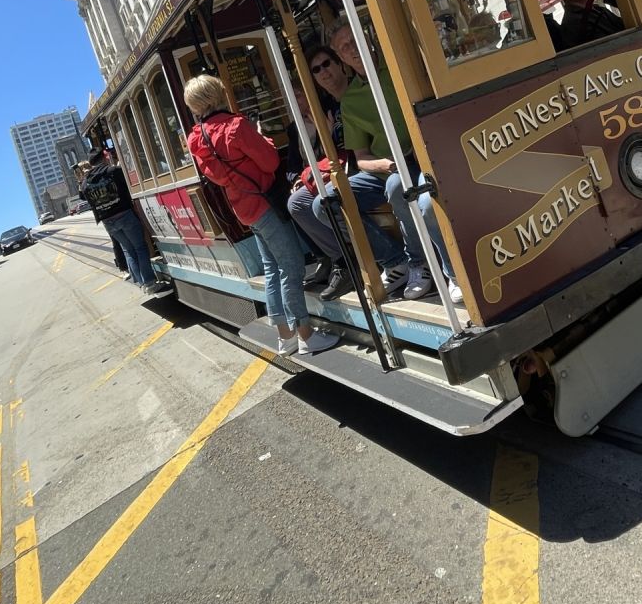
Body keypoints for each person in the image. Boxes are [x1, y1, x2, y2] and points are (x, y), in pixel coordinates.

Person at [183, 74, 339, 356]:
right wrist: (263, 139)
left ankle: (284, 336)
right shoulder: (235, 126)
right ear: (217, 94)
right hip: (265, 204)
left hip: (244, 207)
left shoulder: (197, 137)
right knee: (291, 266)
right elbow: (269, 162)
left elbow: (219, 175)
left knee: (272, 268)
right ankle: (305, 334)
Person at [318, 18, 461, 304]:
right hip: (389, 167)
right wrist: (384, 164)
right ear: (341, 57)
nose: (352, 49)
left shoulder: (396, 68)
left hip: (422, 154)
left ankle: (444, 270)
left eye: (353, 39)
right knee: (326, 203)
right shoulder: (351, 100)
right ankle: (397, 261)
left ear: (366, 36)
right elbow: (361, 159)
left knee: (407, 193)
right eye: (344, 47)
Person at [285, 45, 354, 284]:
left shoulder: (327, 109)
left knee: (319, 203)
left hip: (341, 167)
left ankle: (353, 256)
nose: (296, 101)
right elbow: (291, 166)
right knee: (292, 203)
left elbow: (339, 150)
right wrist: (298, 178)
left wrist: (324, 131)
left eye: (299, 95)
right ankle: (333, 257)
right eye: (317, 69)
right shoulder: (294, 128)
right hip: (316, 174)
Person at [79, 146, 163, 294]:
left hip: (108, 222)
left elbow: (85, 198)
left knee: (128, 250)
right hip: (124, 215)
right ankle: (150, 283)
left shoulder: (85, 183)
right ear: (104, 157)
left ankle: (143, 284)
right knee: (140, 247)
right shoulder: (113, 171)